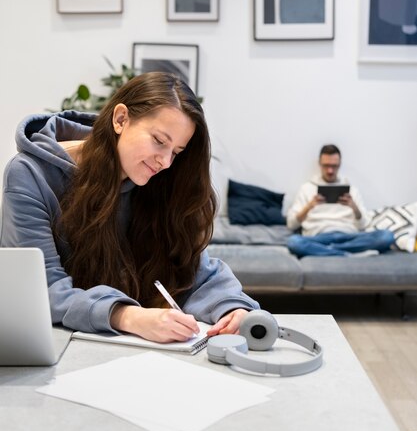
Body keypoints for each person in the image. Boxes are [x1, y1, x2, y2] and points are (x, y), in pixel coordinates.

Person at [0, 72, 259, 342]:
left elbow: (193, 270)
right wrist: (127, 316)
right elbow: (41, 289)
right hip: (61, 348)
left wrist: (233, 307)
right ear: (121, 119)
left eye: (176, 152)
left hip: (136, 351)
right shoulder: (30, 175)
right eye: (159, 141)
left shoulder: (160, 180)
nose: (166, 162)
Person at [286, 144, 394, 257]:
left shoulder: (352, 190)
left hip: (348, 237)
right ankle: (348, 254)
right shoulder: (306, 189)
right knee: (294, 242)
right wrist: (309, 206)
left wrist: (354, 207)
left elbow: (363, 225)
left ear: (340, 165)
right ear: (319, 164)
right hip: (318, 237)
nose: (330, 170)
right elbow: (291, 224)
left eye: (334, 166)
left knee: (387, 236)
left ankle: (327, 251)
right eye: (326, 166)